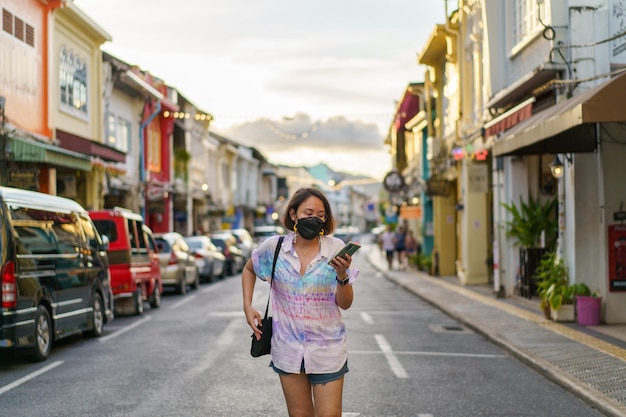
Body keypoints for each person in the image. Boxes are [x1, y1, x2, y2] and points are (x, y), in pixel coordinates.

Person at [242, 187, 359, 417]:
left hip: (328, 349)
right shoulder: (275, 249)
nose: (314, 219)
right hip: (288, 349)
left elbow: (345, 303)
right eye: (308, 212)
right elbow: (249, 268)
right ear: (293, 215)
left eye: (321, 214)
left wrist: (342, 275)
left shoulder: (335, 250)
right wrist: (247, 305)